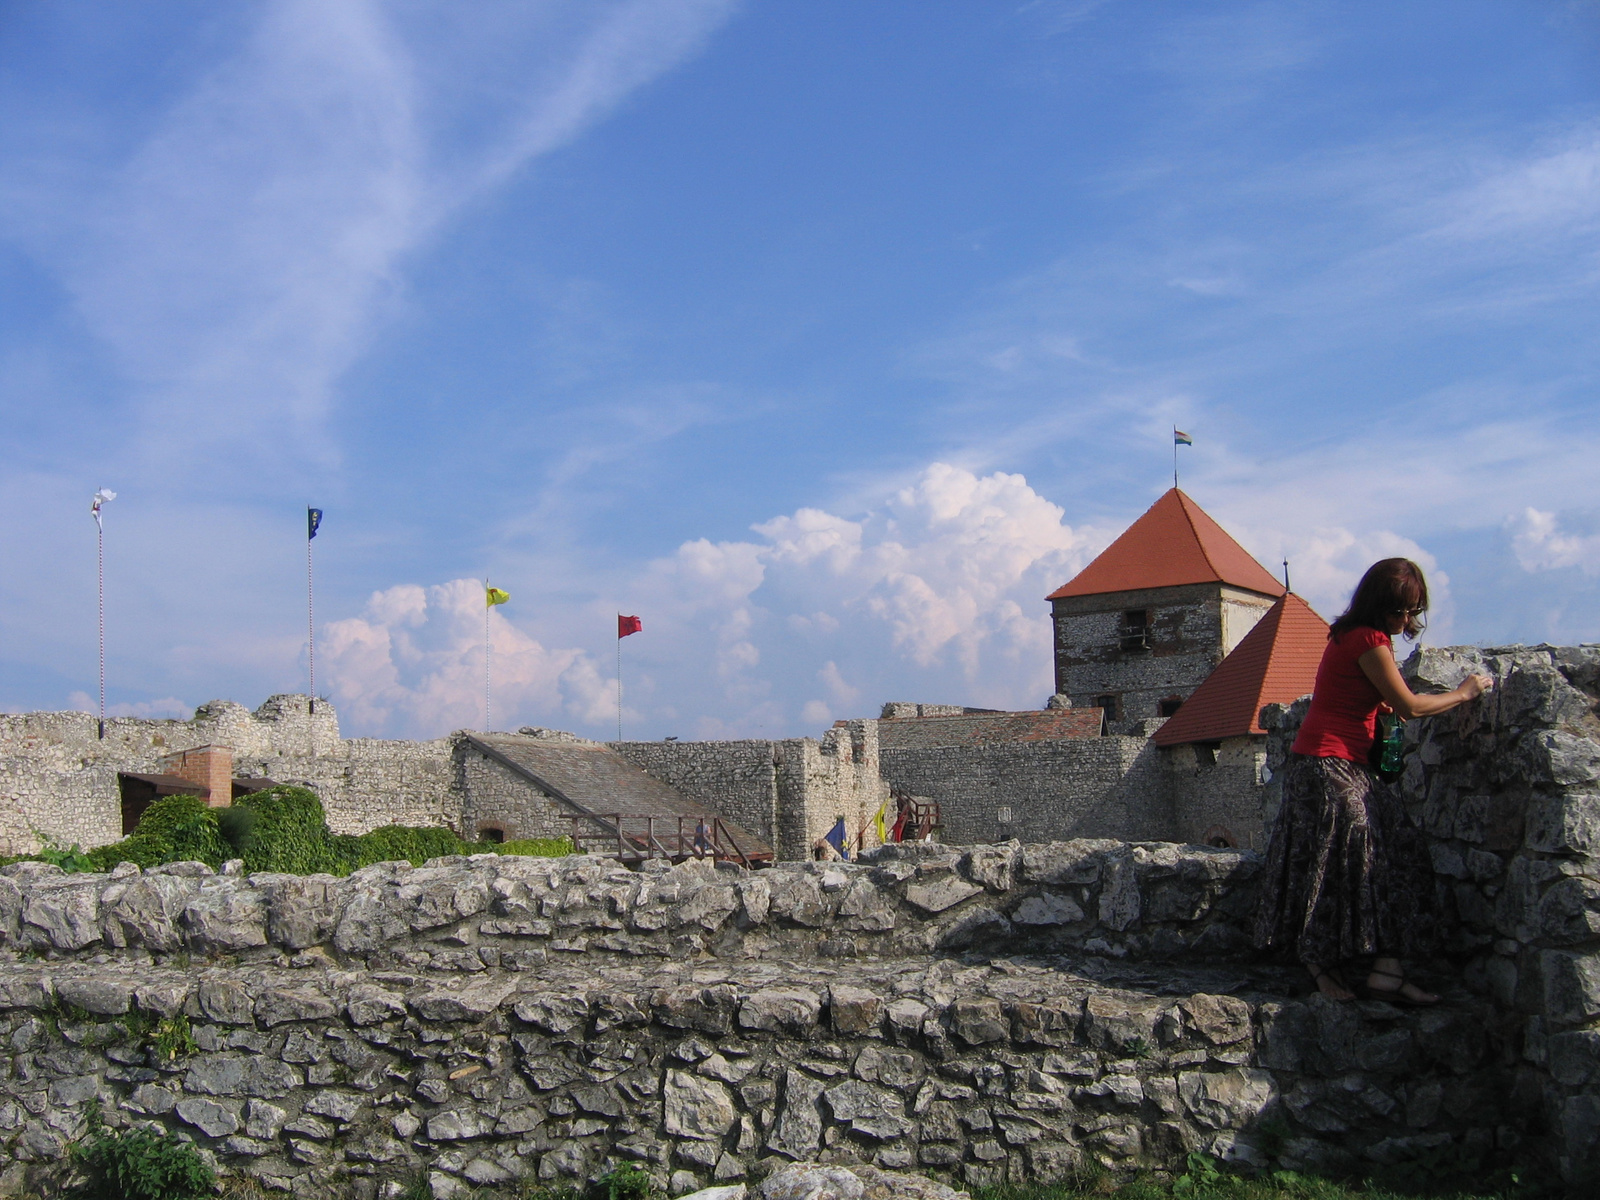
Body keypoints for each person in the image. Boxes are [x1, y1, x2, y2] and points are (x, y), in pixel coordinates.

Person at [1253, 558, 1493, 1004]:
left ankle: (1387, 970)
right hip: (1326, 764)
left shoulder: (1352, 635)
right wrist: (1465, 693)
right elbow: (1411, 707)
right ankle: (1319, 962)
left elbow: (1361, 695)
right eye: (1399, 612)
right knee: (1340, 859)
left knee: (1401, 848)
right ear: (1379, 606)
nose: (1406, 621)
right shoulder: (1366, 639)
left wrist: (1373, 706)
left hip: (1339, 762)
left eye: (1412, 612)